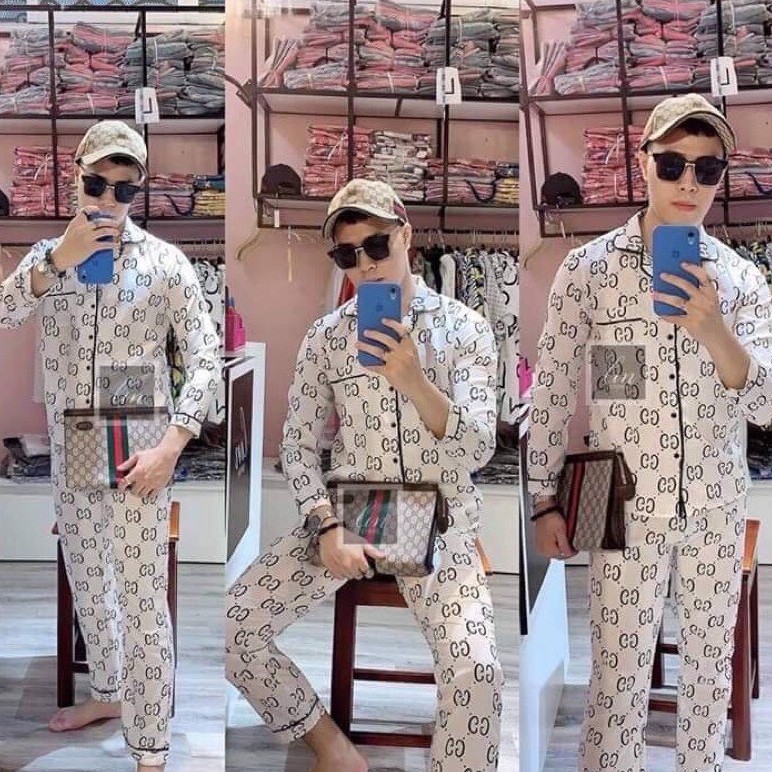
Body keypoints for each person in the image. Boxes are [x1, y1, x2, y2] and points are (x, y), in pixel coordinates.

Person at [527, 93, 772, 772]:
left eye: (707, 168)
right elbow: (551, 392)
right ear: (644, 163)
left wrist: (712, 328)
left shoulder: (742, 280)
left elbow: (766, 405)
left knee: (708, 679)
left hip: (716, 504)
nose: (689, 183)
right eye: (672, 164)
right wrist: (544, 500)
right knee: (616, 677)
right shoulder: (589, 270)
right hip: (620, 503)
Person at [226, 179, 505, 772]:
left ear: (406, 236)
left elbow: (479, 446)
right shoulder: (326, 337)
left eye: (376, 245)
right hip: (354, 514)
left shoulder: (465, 329)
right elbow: (297, 447)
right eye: (347, 255)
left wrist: (414, 380)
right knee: (232, 627)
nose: (365, 264)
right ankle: (333, 749)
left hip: (443, 521)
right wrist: (325, 525)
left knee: (478, 670)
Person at [0, 120, 221, 771]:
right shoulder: (48, 257)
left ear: (138, 191)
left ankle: (150, 748)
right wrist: (55, 262)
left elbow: (206, 357)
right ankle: (108, 693)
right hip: (72, 444)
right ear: (76, 177)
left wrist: (173, 445)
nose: (108, 198)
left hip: (138, 449)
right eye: (96, 183)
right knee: (89, 582)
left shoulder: (165, 262)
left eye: (124, 189)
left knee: (143, 597)